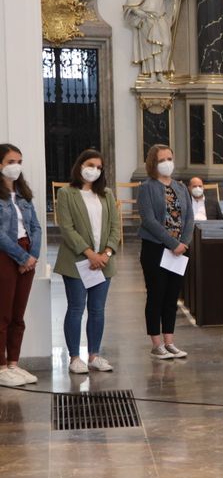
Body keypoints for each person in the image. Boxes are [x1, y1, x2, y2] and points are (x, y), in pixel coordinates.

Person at [53, 149, 120, 375]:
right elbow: (67, 228)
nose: (95, 170)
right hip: (77, 261)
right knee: (76, 308)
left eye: (99, 167)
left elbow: (114, 226)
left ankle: (94, 355)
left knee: (97, 310)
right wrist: (90, 253)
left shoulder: (107, 194)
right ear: (80, 165)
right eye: (91, 165)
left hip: (104, 261)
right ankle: (74, 357)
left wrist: (106, 253)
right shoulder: (66, 193)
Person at [137, 145, 194, 360]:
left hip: (180, 250)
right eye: (162, 159)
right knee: (156, 295)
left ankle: (170, 341)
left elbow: (189, 218)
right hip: (156, 248)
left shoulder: (180, 187)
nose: (167, 162)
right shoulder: (146, 187)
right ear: (153, 163)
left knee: (172, 297)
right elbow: (149, 220)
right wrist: (172, 243)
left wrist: (183, 243)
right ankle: (156, 343)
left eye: (170, 158)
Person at [0, 145, 42, 388]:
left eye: (19, 161)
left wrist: (32, 255)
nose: (16, 165)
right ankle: (2, 366)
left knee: (18, 314)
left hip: (28, 255)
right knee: (3, 314)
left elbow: (35, 226)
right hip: (7, 254)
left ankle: (14, 363)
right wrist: (21, 256)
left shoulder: (23, 194)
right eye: (11, 160)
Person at [123, 0, 189, 81]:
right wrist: (138, 11)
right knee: (151, 47)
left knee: (167, 45)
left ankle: (162, 71)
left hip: (160, 18)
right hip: (146, 19)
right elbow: (129, 5)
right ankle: (154, 74)